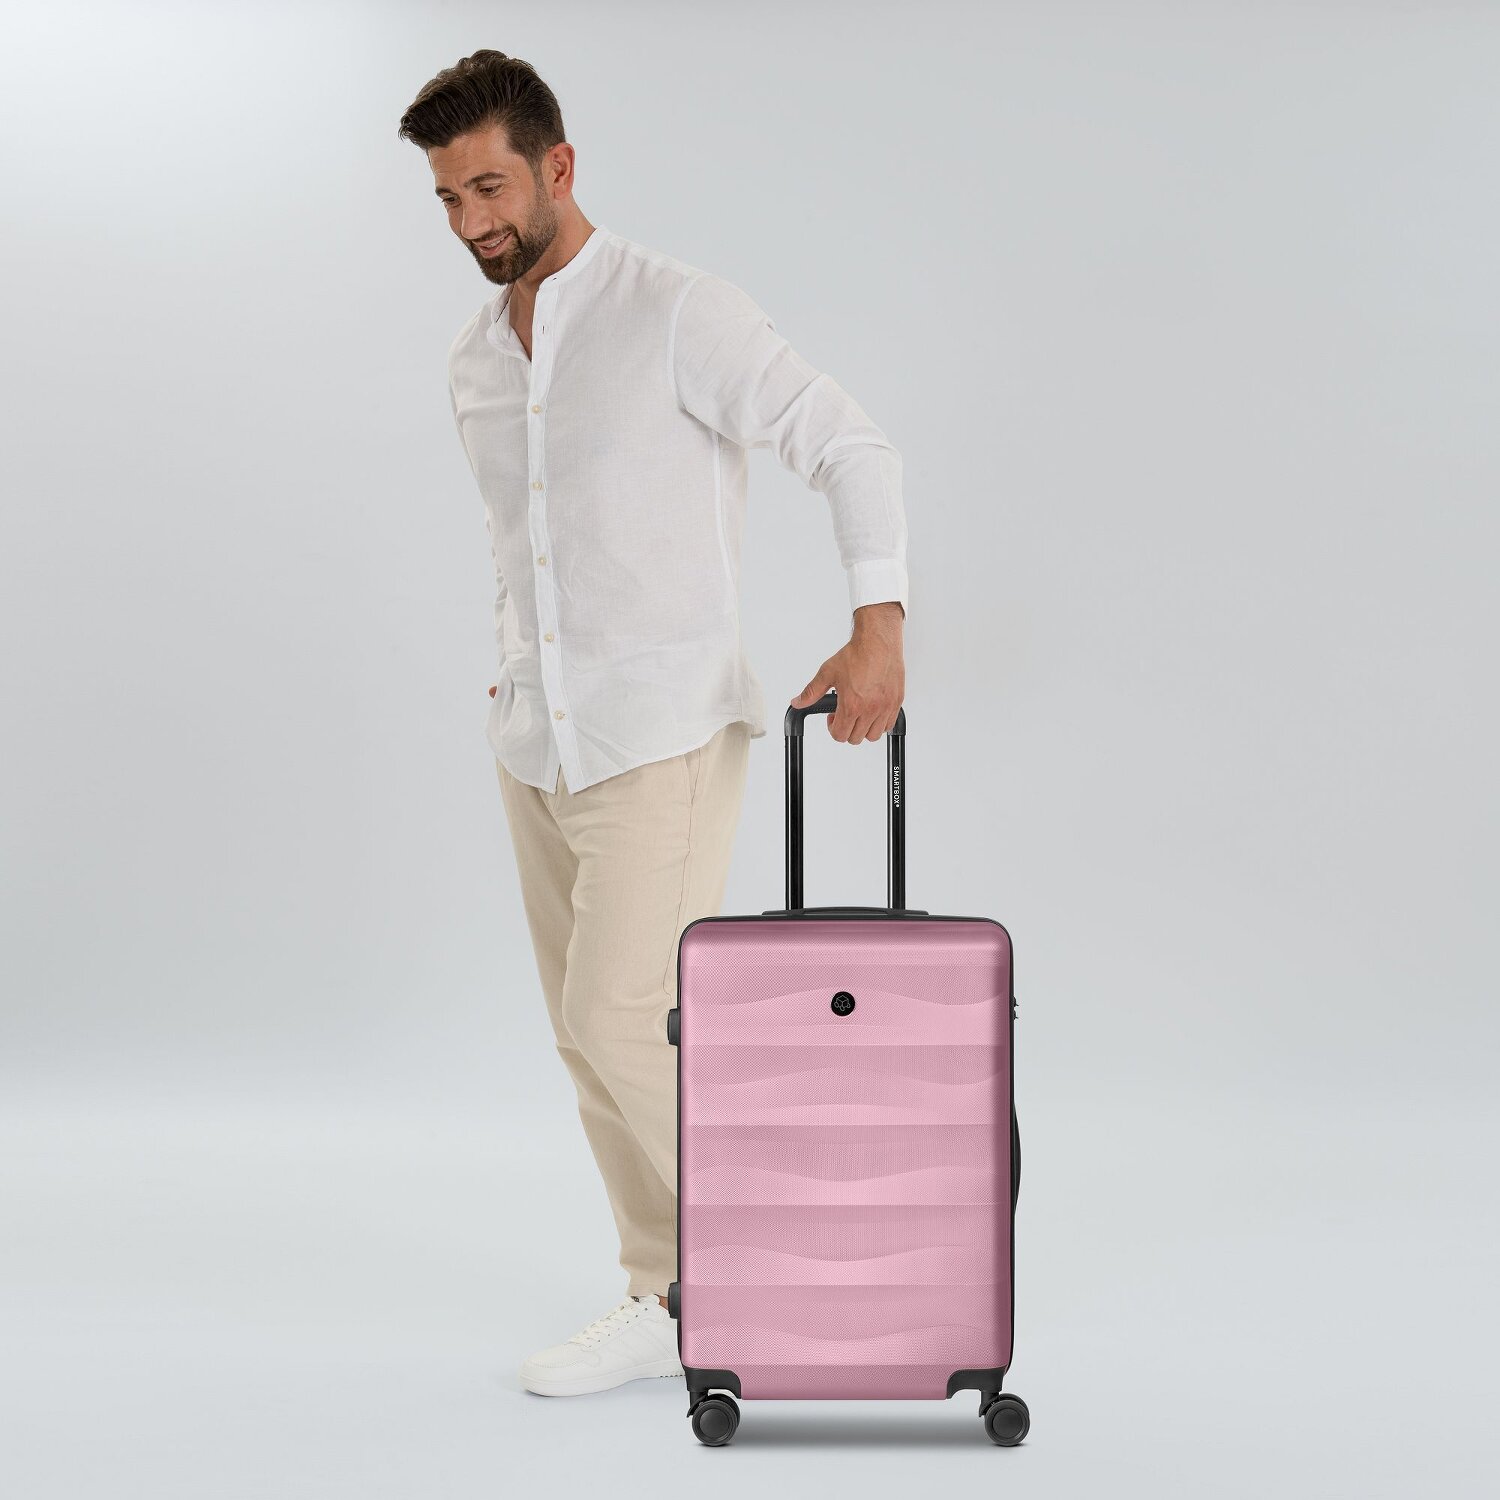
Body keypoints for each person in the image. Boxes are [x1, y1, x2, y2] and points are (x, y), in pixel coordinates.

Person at [399, 50, 908, 1397]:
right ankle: (670, 1289)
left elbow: (849, 444)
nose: (469, 221)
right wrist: (519, 665)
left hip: (663, 731)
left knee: (620, 1008)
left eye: (489, 187)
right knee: (587, 1037)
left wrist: (879, 627)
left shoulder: (678, 310)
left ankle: (811, 1258)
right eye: (447, 197)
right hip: (537, 740)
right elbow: (524, 542)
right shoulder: (473, 360)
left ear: (558, 167)